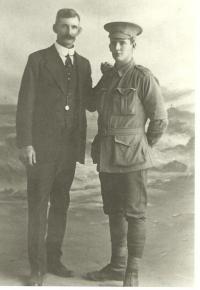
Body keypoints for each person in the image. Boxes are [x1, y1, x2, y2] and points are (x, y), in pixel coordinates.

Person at [86, 22, 168, 286]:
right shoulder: (108, 77)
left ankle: (131, 271)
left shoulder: (143, 78)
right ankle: (117, 265)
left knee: (135, 214)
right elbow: (90, 103)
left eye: (123, 43)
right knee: (114, 212)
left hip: (133, 159)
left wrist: (142, 146)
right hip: (108, 157)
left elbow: (160, 120)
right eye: (113, 43)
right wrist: (99, 75)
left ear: (133, 45)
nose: (117, 47)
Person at [16, 8, 93, 286]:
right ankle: (37, 269)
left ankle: (53, 260)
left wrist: (112, 76)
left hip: (69, 151)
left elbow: (91, 102)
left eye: (73, 27)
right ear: (54, 28)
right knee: (38, 207)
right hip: (41, 150)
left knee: (61, 205)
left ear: (79, 31)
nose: (68, 32)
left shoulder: (84, 65)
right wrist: (25, 143)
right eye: (64, 26)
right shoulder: (37, 60)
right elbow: (25, 104)